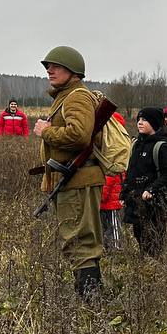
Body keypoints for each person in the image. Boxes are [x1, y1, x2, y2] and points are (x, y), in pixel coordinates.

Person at [34, 46, 105, 297]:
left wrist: (46, 132)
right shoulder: (67, 96)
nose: (49, 70)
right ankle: (89, 300)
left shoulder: (77, 97)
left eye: (56, 66)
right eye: (47, 67)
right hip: (72, 179)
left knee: (80, 242)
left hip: (78, 180)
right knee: (77, 241)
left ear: (73, 71)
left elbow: (79, 135)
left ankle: (91, 305)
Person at [123, 107, 167, 258]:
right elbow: (131, 171)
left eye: (144, 120)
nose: (140, 123)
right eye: (139, 119)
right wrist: (124, 192)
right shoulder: (136, 144)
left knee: (154, 240)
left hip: (155, 204)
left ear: (154, 122)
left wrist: (152, 189)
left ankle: (155, 270)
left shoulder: (162, 146)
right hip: (136, 200)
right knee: (139, 235)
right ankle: (146, 269)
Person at [99, 110, 128, 251]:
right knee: (106, 227)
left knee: (114, 228)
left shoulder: (113, 156)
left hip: (111, 201)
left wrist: (101, 197)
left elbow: (109, 179)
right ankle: (109, 249)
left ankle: (116, 250)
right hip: (106, 202)